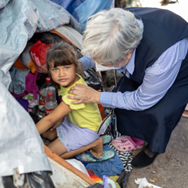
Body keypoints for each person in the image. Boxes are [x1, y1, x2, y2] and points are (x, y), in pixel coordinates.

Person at [67, 7, 188, 168]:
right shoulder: (114, 23)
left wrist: (96, 96)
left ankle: (153, 148)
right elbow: (101, 48)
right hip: (153, 52)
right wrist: (82, 63)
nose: (101, 64)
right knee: (124, 92)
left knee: (162, 111)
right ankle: (133, 134)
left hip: (179, 66)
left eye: (105, 63)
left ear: (128, 54)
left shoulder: (161, 60)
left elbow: (142, 100)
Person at [36, 42, 103, 159]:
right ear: (49, 71)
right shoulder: (71, 78)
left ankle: (94, 144)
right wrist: (60, 118)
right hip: (74, 121)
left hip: (86, 130)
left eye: (66, 68)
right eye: (55, 69)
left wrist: (26, 136)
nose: (61, 74)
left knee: (48, 155)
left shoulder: (75, 92)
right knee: (48, 134)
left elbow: (50, 119)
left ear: (75, 67)